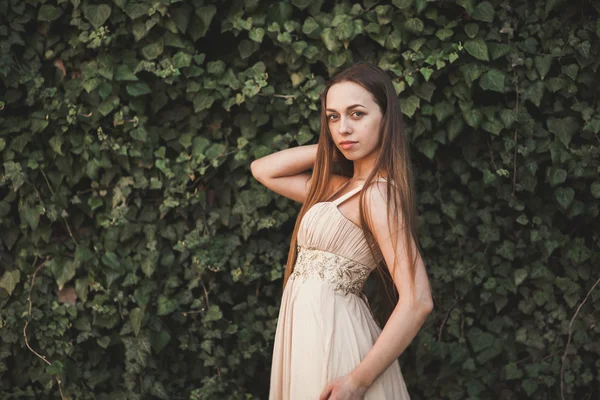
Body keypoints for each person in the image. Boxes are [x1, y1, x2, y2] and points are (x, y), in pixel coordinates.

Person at [251, 62, 434, 400]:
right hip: (307, 336)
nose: (343, 128)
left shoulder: (379, 194)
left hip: (336, 340)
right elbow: (264, 170)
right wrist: (332, 148)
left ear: (386, 118)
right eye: (333, 117)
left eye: (357, 114)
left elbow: (418, 300)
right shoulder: (339, 188)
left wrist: (359, 381)